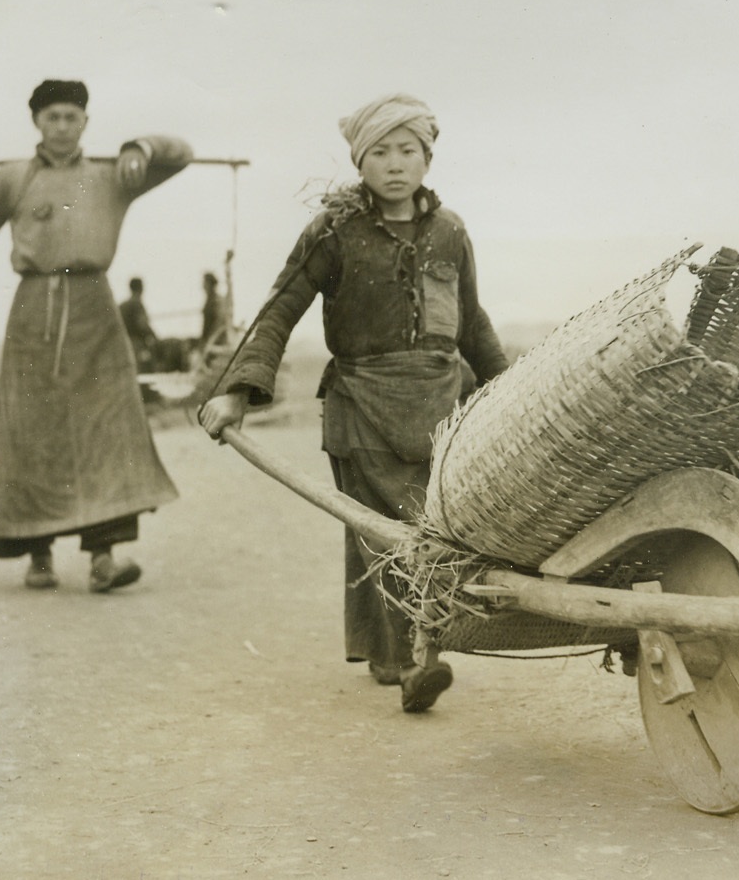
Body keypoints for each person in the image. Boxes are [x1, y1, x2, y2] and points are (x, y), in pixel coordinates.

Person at [199, 94, 509, 713]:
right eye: (381, 152)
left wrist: (508, 390)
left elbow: (471, 320)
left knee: (436, 529)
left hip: (439, 406)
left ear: (427, 158)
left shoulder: (451, 231)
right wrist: (235, 391)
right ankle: (403, 660)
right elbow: (281, 307)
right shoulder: (334, 230)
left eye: (408, 151)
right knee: (382, 535)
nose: (395, 164)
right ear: (359, 161)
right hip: (362, 403)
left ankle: (416, 647)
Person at [0, 79, 192, 592]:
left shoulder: (115, 175)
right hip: (32, 317)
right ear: (37, 123)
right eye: (53, 117)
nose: (63, 127)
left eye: (72, 117)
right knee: (33, 434)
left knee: (107, 431)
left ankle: (103, 559)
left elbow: (182, 154)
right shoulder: (12, 180)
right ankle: (39, 556)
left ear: (86, 124)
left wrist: (143, 147)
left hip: (97, 315)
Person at [119, 276, 158, 372]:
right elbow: (142, 324)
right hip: (136, 345)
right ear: (141, 288)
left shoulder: (122, 305)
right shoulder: (137, 304)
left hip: (123, 344)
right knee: (143, 370)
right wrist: (155, 337)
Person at [199, 271, 228, 351]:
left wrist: (210, 342)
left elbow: (219, 322)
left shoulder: (217, 300)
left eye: (205, 283)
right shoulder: (209, 300)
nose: (203, 285)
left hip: (217, 342)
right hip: (209, 340)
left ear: (210, 284)